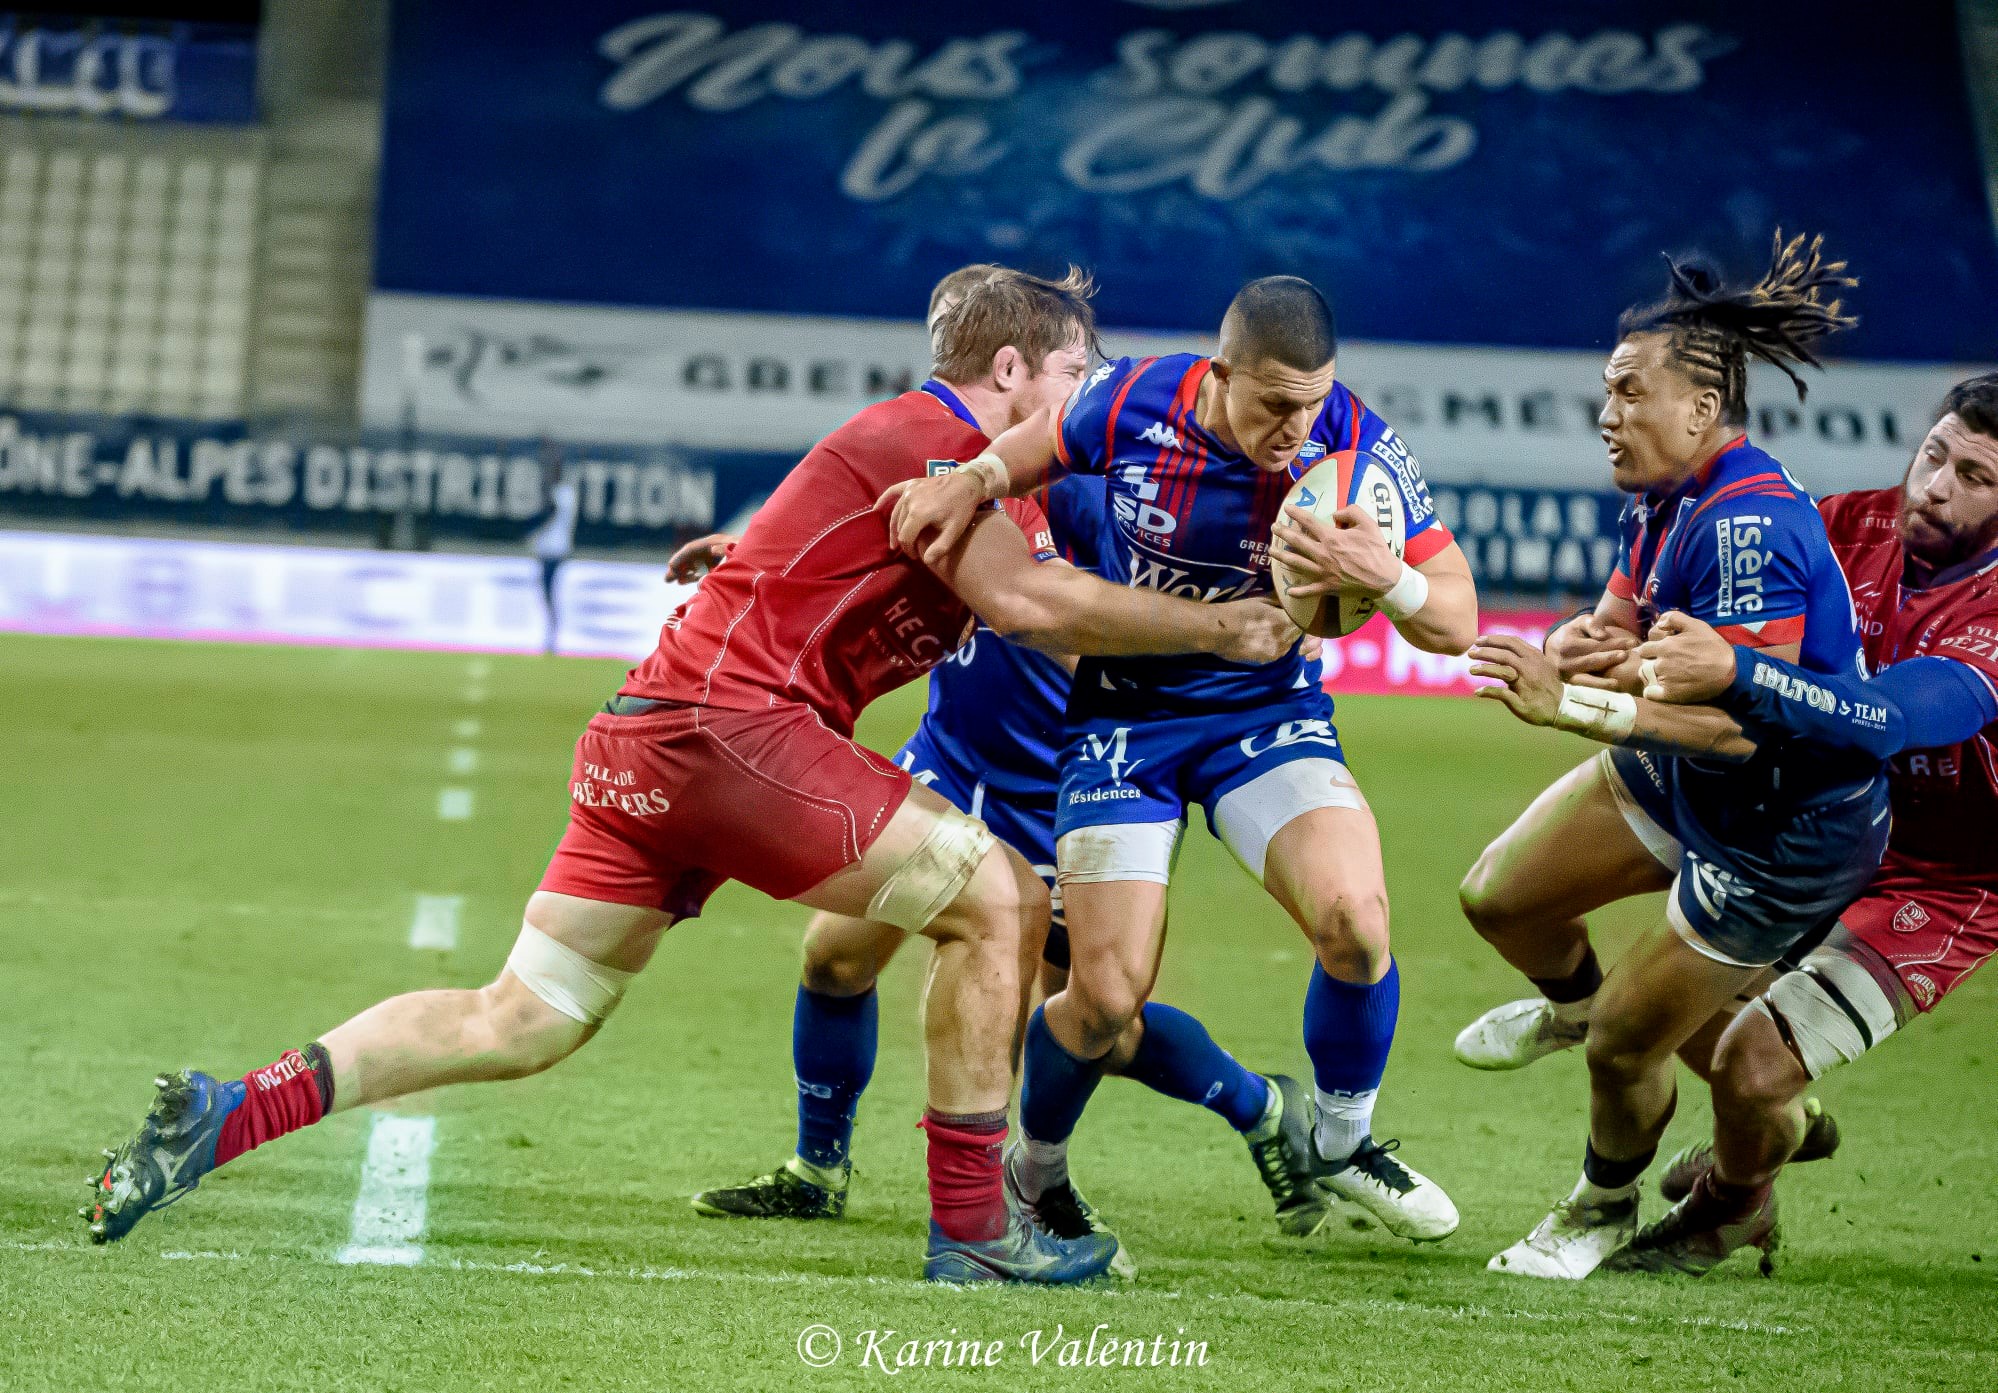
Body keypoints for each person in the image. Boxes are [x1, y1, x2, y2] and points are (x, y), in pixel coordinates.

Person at [81, 268, 1298, 1285]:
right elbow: (1033, 605)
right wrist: (1224, 626)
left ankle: (226, 1108)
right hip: (737, 732)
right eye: (1079, 371)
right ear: (1014, 369)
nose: (1090, 399)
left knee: (517, 1019)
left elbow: (864, 552)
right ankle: (977, 1231)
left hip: (648, 740)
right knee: (1000, 902)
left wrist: (754, 554)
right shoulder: (949, 440)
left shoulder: (921, 447)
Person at [681, 267, 1332, 1263]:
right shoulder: (967, 462)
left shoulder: (1092, 485)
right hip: (953, 759)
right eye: (1070, 368)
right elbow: (898, 551)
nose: (1079, 393)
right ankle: (818, 1170)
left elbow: (1061, 613)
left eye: (1085, 373)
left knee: (1099, 1021)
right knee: (834, 955)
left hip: (1049, 794)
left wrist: (1155, 628)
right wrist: (764, 555)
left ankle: (1259, 1106)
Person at [883, 274, 1480, 1248]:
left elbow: (1455, 617)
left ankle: (1339, 1139)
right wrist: (976, 477)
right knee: (1106, 996)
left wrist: (1394, 578)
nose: (1297, 426)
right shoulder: (1135, 398)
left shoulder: (1356, 449)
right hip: (1125, 719)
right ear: (1220, 373)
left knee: (1357, 925)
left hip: (1267, 715)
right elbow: (1044, 444)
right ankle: (1036, 1171)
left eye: (1314, 399)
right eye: (1275, 403)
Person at [1459, 233, 1892, 1279]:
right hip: (1688, 768)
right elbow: (1606, 628)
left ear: (1699, 411)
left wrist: (1579, 709)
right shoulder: (1661, 493)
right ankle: (1617, 1022)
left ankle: (1600, 1208)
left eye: (1626, 393)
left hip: (1779, 825)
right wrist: (1574, 648)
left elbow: (1748, 721)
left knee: (1624, 1044)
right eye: (1605, 392)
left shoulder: (1746, 529)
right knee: (1501, 897)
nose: (1606, 414)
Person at [1592, 372, 1998, 1273]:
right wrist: (1614, 639)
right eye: (1935, 453)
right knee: (1675, 1009)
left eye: (1975, 477)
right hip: (1821, 825)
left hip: (1941, 877)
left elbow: (1886, 723)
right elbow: (1699, 610)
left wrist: (1741, 675)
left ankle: (1732, 1204)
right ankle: (1775, 1136)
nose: (1935, 485)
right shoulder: (1841, 523)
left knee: (1750, 1066)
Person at [528, 440, 580, 655]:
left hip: (552, 549)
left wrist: (535, 534)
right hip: (558, 548)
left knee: (549, 592)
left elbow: (550, 515)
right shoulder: (568, 493)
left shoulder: (559, 493)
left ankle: (552, 634)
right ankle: (551, 633)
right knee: (550, 593)